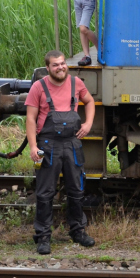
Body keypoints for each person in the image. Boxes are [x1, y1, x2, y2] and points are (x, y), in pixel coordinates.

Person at [25, 50, 96, 255]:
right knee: (45, 193)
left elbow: (89, 102)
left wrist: (88, 123)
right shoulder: (38, 87)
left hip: (72, 144)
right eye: (55, 65)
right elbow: (30, 119)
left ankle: (78, 231)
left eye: (63, 63)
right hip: (48, 146)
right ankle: (43, 236)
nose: (61, 67)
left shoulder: (76, 83)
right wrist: (32, 146)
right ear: (47, 68)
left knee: (76, 190)